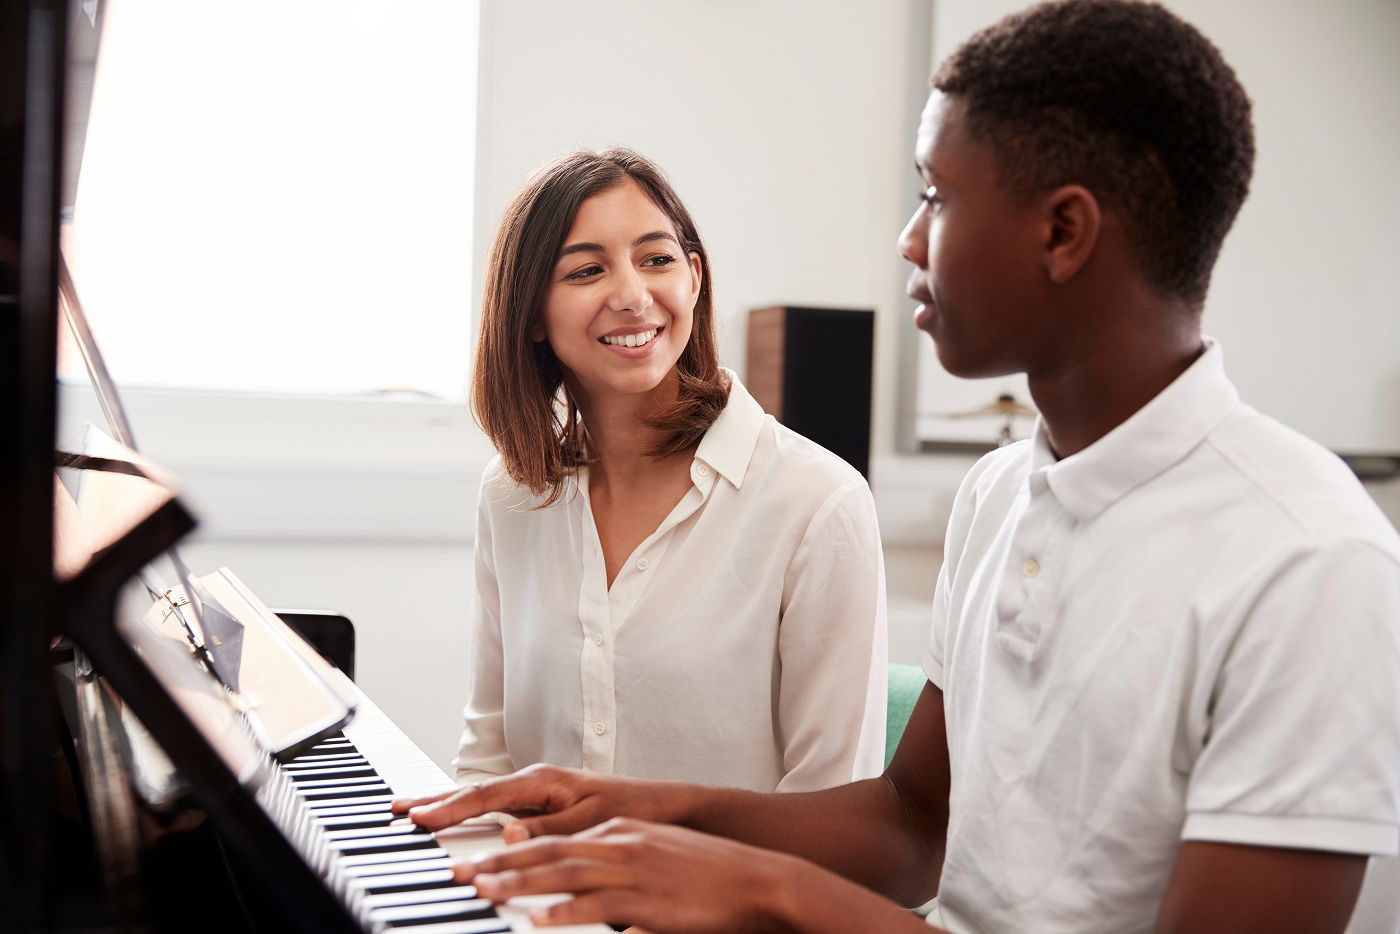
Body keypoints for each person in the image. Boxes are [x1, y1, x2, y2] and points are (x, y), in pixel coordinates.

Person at [394, 3, 1400, 932]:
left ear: (1061, 232)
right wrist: (632, 812)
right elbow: (913, 822)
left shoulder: (1309, 558)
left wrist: (760, 886)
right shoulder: (999, 494)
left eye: (934, 195)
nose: (907, 239)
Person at [454, 148, 887, 795]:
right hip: (531, 866)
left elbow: (833, 816)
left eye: (657, 260)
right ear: (532, 312)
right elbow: (488, 764)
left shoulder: (818, 502)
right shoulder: (511, 493)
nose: (633, 297)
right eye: (587, 270)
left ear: (694, 279)